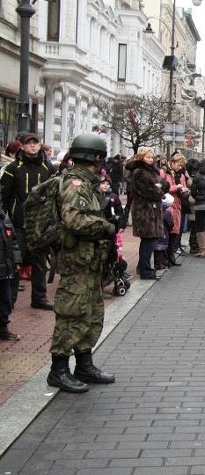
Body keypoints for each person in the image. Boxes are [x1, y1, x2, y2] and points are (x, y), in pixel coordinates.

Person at [46, 134, 117, 393]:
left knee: (91, 313)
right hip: (76, 261)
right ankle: (59, 369)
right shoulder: (76, 184)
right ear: (96, 157)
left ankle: (84, 364)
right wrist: (105, 226)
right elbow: (74, 221)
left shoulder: (87, 182)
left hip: (89, 261)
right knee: (71, 314)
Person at [1, 132, 57, 310]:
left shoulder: (48, 168)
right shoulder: (13, 168)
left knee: (40, 263)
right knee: (15, 262)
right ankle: (11, 300)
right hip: (19, 223)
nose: (33, 146)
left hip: (41, 224)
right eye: (29, 143)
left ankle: (39, 298)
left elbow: (54, 195)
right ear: (22, 146)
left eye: (36, 143)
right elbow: (4, 195)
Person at [125, 147, 165, 280]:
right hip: (144, 210)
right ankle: (145, 269)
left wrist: (160, 188)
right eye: (148, 157)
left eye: (152, 157)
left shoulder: (151, 171)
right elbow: (149, 191)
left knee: (150, 240)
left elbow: (162, 184)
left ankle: (145, 268)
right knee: (149, 239)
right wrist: (159, 191)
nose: (150, 159)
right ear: (142, 158)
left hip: (151, 209)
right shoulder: (139, 172)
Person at [0, 202, 21, 341]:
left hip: (5, 268)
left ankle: (2, 329)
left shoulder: (3, 217)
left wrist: (17, 261)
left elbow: (13, 241)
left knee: (5, 300)